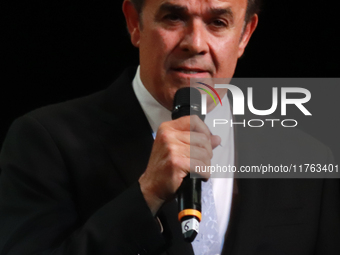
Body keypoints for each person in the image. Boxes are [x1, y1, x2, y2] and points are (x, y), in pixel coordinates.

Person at [0, 0, 339, 255]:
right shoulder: (44, 140)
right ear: (135, 23)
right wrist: (146, 194)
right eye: (174, 17)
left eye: (218, 22)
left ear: (244, 34)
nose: (195, 43)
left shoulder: (308, 158)